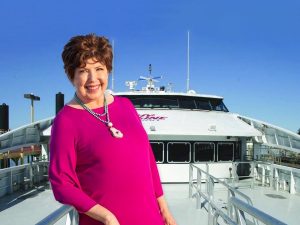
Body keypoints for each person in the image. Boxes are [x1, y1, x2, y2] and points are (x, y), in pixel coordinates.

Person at [48, 34, 177, 225]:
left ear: (108, 70)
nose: (93, 79)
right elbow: (61, 183)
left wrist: (165, 211)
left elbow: (148, 161)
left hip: (151, 219)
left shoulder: (126, 106)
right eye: (83, 71)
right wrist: (106, 217)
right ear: (71, 76)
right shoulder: (66, 121)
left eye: (99, 68)